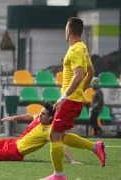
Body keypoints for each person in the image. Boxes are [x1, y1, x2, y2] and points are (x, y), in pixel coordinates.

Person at [0, 102, 105, 166]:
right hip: (13, 142)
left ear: (50, 118)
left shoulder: (49, 131)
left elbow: (60, 145)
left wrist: (72, 160)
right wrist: (14, 117)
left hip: (15, 152)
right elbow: (29, 116)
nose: (39, 115)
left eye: (43, 114)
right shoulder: (38, 118)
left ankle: (93, 148)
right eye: (40, 113)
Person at [41, 17, 96, 180]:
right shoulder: (83, 47)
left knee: (54, 135)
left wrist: (64, 97)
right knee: (58, 135)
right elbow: (91, 72)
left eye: (65, 29)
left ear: (68, 31)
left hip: (70, 100)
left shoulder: (75, 50)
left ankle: (58, 175)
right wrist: (82, 89)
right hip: (74, 98)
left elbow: (79, 75)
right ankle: (95, 148)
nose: (65, 31)